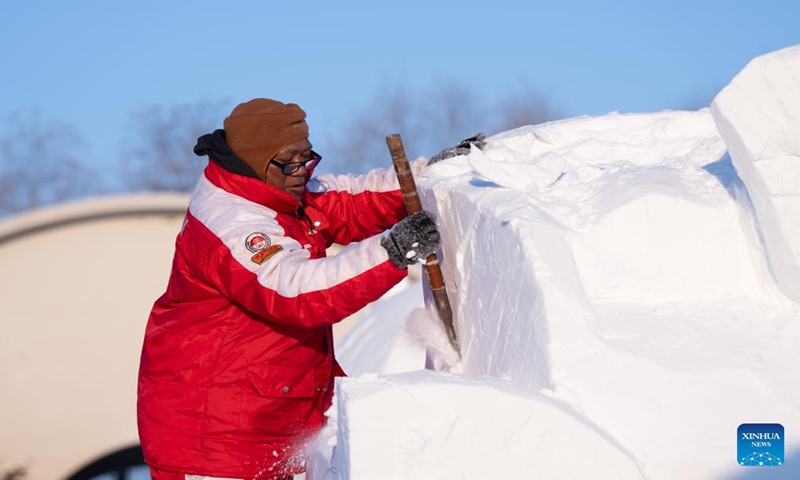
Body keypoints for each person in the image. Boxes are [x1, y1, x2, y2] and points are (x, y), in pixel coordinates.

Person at [137, 98, 485, 480]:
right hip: (216, 446)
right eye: (291, 161)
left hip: (272, 419)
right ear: (256, 160)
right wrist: (393, 251)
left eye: (308, 157)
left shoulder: (280, 193)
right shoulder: (234, 223)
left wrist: (427, 176)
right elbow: (298, 292)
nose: (303, 170)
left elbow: (350, 201)